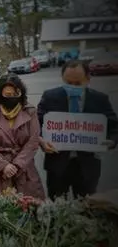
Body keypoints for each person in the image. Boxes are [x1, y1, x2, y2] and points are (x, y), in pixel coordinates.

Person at [38, 61, 118, 199]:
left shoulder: (100, 99)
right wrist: (41, 140)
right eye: (68, 82)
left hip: (87, 167)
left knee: (87, 209)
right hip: (57, 165)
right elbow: (36, 125)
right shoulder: (50, 97)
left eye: (77, 83)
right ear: (62, 78)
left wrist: (111, 141)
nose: (72, 87)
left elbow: (114, 127)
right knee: (55, 208)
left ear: (88, 79)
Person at [0, 74, 45, 199]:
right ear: (0, 94)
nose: (12, 98)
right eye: (7, 95)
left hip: (23, 168)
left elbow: (33, 140)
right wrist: (2, 165)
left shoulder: (30, 110)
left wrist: (17, 165)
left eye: (15, 95)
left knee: (28, 208)